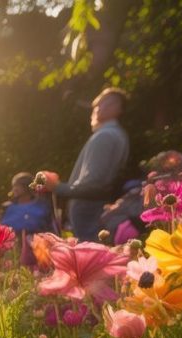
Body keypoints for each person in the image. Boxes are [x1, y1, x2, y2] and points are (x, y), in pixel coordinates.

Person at [55, 88, 130, 241]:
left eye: (100, 104)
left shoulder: (105, 136)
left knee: (91, 260)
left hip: (89, 215)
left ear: (116, 107)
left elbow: (93, 184)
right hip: (92, 213)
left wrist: (55, 187)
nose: (95, 109)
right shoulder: (115, 135)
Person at [1, 172, 55, 267]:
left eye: (19, 186)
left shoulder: (41, 205)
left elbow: (47, 227)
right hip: (14, 250)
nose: (15, 189)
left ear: (27, 187)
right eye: (14, 186)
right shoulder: (9, 208)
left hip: (37, 248)